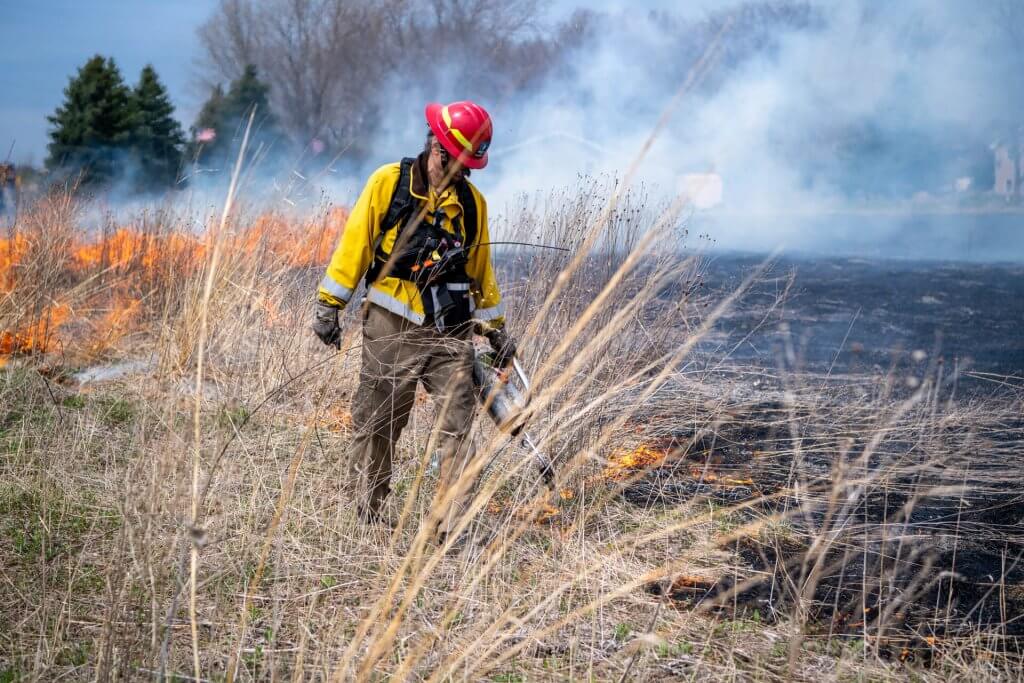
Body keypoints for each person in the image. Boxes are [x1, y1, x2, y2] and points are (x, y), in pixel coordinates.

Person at [312, 100, 516, 539]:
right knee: (380, 420)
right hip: (392, 324)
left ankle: (449, 528)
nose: (465, 173)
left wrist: (497, 331)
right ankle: (363, 514)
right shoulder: (389, 184)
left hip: (451, 331)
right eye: (459, 163)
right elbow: (355, 246)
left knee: (459, 428)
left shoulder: (473, 204)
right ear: (437, 148)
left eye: (471, 166)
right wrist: (329, 304)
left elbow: (482, 273)